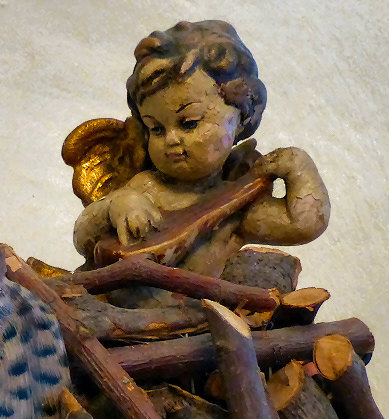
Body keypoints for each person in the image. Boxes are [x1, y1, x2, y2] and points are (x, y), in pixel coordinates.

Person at [71, 21, 330, 308]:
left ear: (242, 117)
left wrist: (299, 167)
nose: (171, 139)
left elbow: (302, 225)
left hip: (195, 323)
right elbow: (83, 237)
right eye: (156, 129)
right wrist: (116, 205)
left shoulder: (236, 206)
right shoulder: (146, 186)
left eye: (189, 123)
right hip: (113, 309)